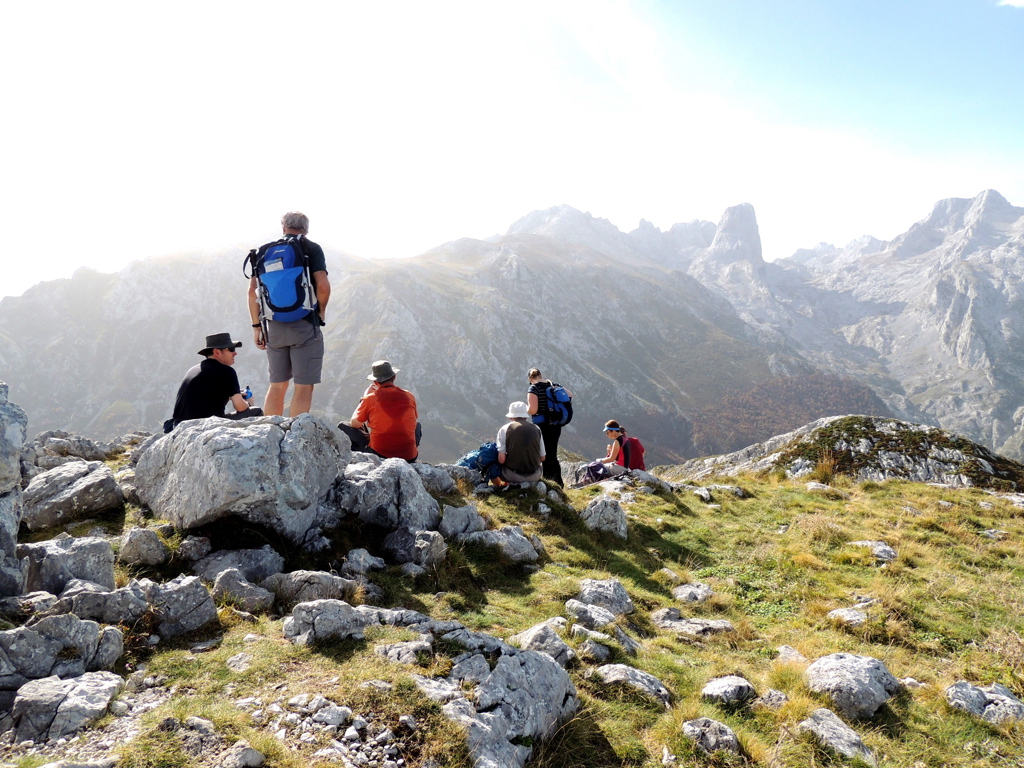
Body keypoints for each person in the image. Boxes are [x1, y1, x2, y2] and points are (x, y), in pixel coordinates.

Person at [247, 211, 331, 417]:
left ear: (283, 227)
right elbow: (323, 285)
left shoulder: (264, 251)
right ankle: (294, 437)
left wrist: (256, 327)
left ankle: (269, 431)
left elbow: (252, 292)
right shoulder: (311, 248)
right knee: (303, 385)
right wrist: (321, 311)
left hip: (274, 326)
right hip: (304, 324)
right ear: (306, 229)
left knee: (277, 385)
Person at [169, 333, 263, 430]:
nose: (235, 353)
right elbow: (241, 407)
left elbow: (204, 395)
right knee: (256, 412)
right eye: (231, 349)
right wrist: (248, 403)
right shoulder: (226, 371)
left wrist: (232, 394)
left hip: (179, 426)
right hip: (203, 427)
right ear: (217, 352)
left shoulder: (193, 370)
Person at [340, 360, 419, 461]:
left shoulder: (370, 399)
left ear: (375, 382)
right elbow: (413, 420)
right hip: (410, 457)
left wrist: (363, 399)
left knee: (343, 426)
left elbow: (354, 424)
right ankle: (409, 452)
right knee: (417, 425)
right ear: (394, 377)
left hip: (379, 455)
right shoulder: (409, 396)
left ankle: (353, 461)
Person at [527, 368, 570, 487]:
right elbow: (570, 395)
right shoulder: (553, 384)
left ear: (530, 379)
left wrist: (526, 408)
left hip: (542, 425)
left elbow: (533, 410)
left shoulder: (533, 388)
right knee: (552, 453)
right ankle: (558, 482)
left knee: (544, 453)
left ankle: (549, 481)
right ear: (541, 375)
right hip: (556, 424)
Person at [495, 401, 546, 485]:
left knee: (491, 461)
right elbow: (542, 457)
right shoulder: (536, 428)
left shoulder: (504, 429)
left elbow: (501, 460)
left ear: (511, 417)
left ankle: (501, 486)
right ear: (525, 416)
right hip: (535, 476)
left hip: (512, 476)